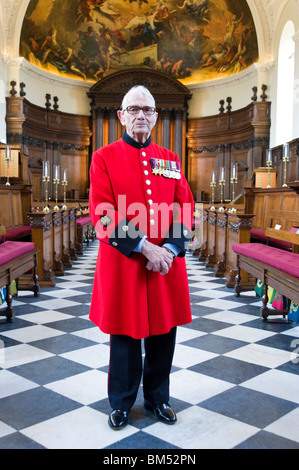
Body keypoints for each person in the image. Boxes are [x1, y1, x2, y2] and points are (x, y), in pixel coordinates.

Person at [89, 85, 194, 430]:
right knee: (124, 336)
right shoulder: (103, 157)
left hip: (165, 265)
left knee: (164, 335)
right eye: (133, 110)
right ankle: (120, 403)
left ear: (156, 117)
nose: (140, 116)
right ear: (121, 116)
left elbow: (185, 208)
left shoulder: (171, 159)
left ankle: (158, 398)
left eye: (147, 110)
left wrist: (170, 249)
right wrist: (144, 246)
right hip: (124, 264)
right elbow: (102, 213)